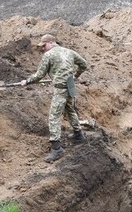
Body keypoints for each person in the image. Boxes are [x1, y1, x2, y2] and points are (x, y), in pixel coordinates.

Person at [20, 34, 88, 163]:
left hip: (61, 88)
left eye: (44, 45)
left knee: (54, 116)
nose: (43, 49)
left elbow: (39, 75)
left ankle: (57, 148)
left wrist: (27, 81)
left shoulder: (49, 55)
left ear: (51, 43)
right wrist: (76, 76)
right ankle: (79, 135)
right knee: (70, 110)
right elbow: (84, 64)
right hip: (70, 85)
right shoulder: (69, 52)